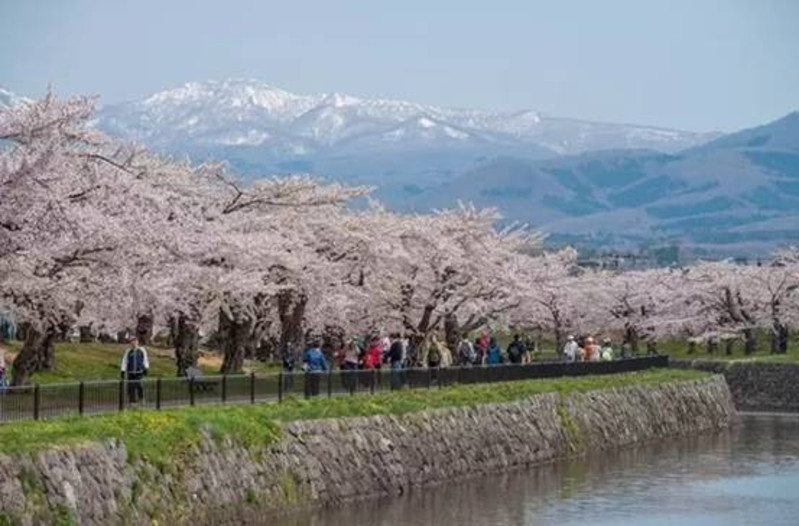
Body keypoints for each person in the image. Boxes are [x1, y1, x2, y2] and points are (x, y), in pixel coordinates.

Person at [120, 338, 149, 404]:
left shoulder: (141, 350)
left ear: (137, 342)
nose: (134, 343)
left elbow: (145, 359)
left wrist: (146, 368)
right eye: (132, 342)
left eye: (135, 342)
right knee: (131, 387)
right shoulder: (128, 351)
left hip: (139, 372)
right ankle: (132, 401)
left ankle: (141, 398)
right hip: (130, 372)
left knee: (139, 385)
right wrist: (123, 370)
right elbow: (124, 361)